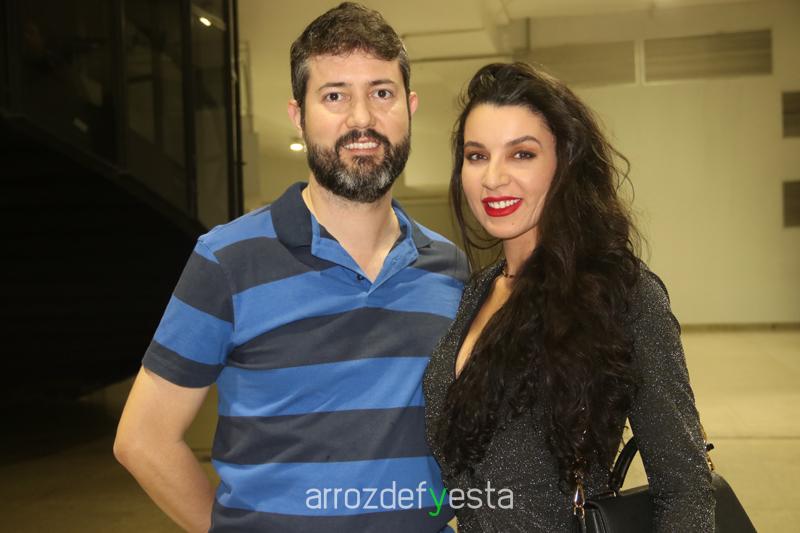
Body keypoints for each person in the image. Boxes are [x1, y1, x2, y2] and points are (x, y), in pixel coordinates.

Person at [114, 3, 467, 532]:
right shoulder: (226, 259)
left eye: (382, 93)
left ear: (409, 107)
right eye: (334, 96)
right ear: (298, 115)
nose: (362, 119)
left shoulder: (449, 268)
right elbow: (143, 439)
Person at [423, 62, 715, 532]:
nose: (493, 177)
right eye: (477, 155)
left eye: (522, 154)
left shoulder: (622, 295)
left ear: (566, 163)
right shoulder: (476, 292)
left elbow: (684, 489)